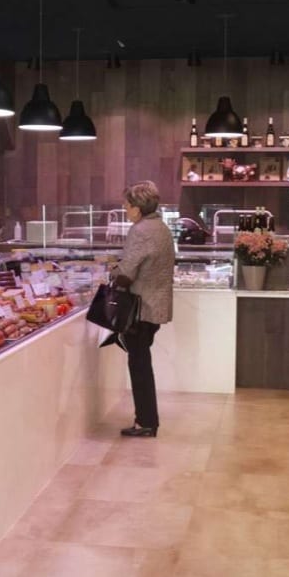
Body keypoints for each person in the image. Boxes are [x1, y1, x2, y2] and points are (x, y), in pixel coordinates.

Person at [112, 181, 174, 438]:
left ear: (137, 208)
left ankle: (146, 421)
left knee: (139, 364)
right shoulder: (161, 227)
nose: (125, 210)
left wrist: (112, 272)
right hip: (155, 306)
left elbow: (127, 272)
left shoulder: (140, 230)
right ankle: (147, 419)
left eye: (127, 206)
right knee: (142, 361)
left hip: (140, 307)